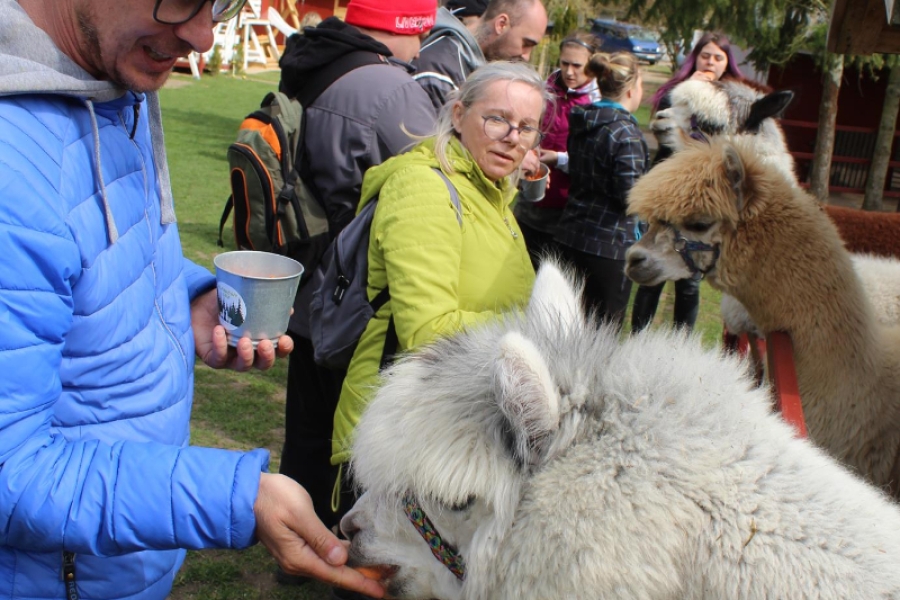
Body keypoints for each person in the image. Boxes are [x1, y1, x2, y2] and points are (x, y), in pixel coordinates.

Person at [0, 1, 385, 599]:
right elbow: (9, 472)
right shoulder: (11, 159)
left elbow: (101, 260)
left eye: (220, 4)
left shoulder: (114, 83)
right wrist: (233, 496)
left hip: (115, 564)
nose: (204, 36)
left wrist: (189, 296)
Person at [331, 61, 545, 515]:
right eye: (497, 118)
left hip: (450, 415)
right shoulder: (425, 189)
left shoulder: (492, 193)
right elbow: (428, 330)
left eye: (527, 126)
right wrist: (535, 330)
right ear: (458, 114)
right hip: (399, 428)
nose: (513, 136)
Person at [275, 0, 438, 549]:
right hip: (355, 297)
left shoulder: (312, 60)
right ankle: (351, 556)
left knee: (304, 432)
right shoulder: (392, 90)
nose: (422, 50)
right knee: (355, 439)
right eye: (422, 34)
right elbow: (432, 182)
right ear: (407, 28)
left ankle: (293, 542)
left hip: (303, 279)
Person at [630, 32, 750, 333]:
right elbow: (661, 125)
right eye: (705, 55)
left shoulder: (731, 103)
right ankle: (638, 337)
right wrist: (688, 91)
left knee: (689, 279)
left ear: (726, 64)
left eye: (718, 57)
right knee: (652, 267)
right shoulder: (676, 91)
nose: (710, 61)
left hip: (700, 200)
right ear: (695, 57)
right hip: (668, 194)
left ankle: (680, 344)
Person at [554, 51, 648, 328]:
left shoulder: (582, 121)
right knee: (601, 338)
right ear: (631, 90)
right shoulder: (626, 134)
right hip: (609, 248)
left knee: (563, 328)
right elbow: (629, 197)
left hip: (570, 234)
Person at [515, 32, 601, 266]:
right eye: (565, 63)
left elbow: (597, 162)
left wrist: (560, 159)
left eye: (577, 65)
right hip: (531, 196)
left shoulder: (596, 102)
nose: (569, 72)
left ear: (592, 65)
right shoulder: (547, 88)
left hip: (567, 207)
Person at [413, 0, 548, 112]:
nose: (526, 56)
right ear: (501, 24)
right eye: (526, 43)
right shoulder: (440, 70)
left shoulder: (464, 63)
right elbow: (439, 142)